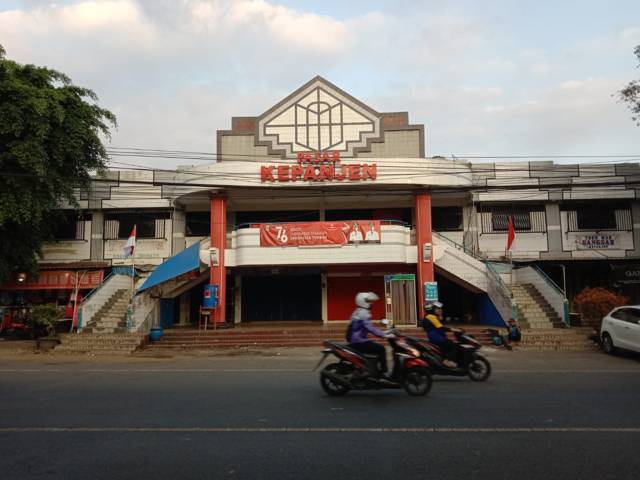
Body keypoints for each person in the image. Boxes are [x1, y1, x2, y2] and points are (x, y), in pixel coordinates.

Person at [347, 292, 393, 378]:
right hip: (359, 341)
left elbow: (370, 327)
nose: (371, 303)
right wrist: (384, 335)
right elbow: (370, 328)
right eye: (368, 301)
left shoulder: (358, 311)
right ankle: (383, 371)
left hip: (357, 340)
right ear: (362, 302)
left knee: (374, 347)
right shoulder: (363, 313)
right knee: (381, 349)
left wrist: (384, 333)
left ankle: (370, 369)